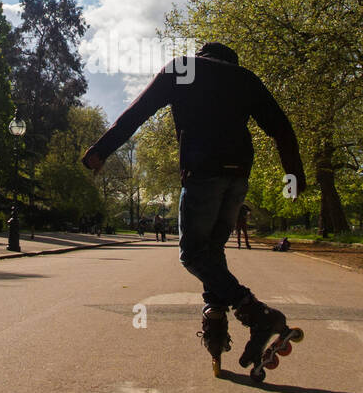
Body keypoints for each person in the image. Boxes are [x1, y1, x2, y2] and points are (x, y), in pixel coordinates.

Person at [82, 42, 306, 375]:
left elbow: (136, 113)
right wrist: (294, 175)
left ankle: (258, 314)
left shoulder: (182, 68)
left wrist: (101, 150)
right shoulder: (244, 78)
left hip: (203, 174)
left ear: (202, 54)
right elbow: (282, 129)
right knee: (212, 253)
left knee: (192, 254)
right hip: (238, 177)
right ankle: (215, 322)